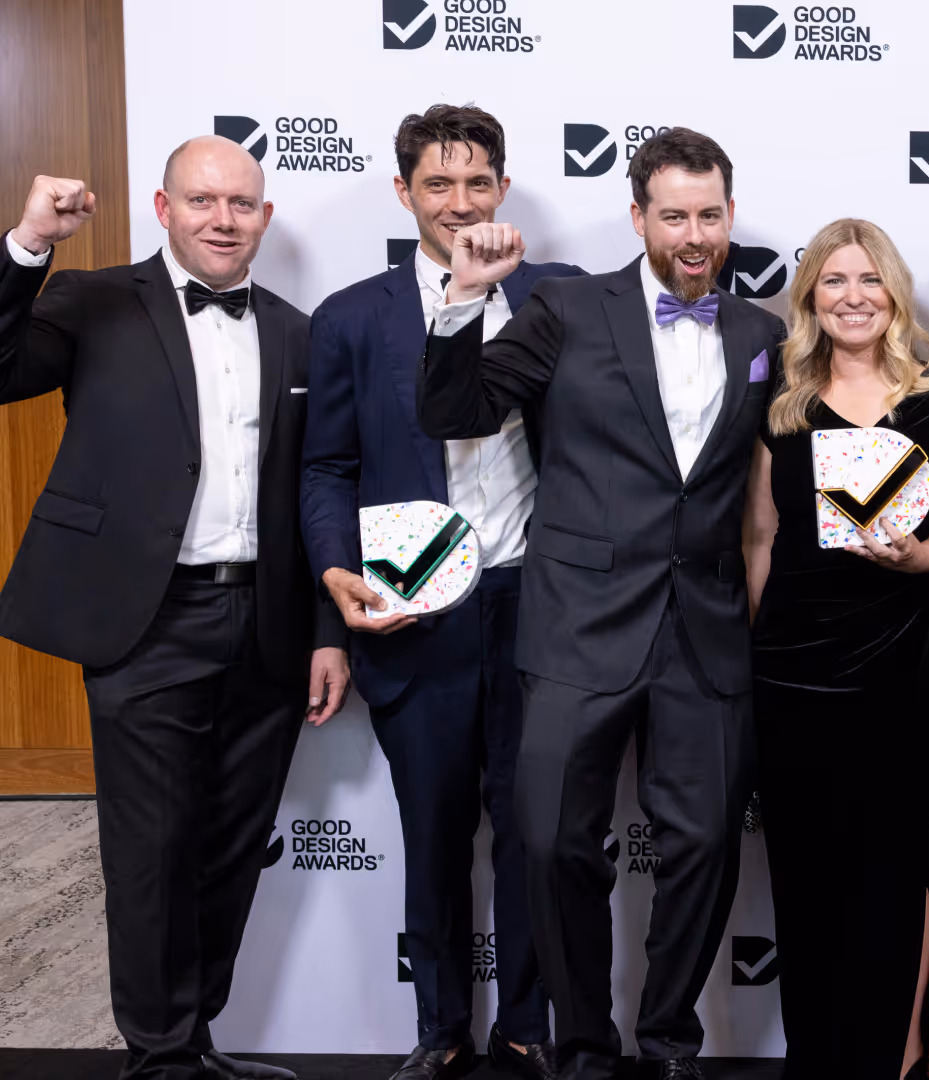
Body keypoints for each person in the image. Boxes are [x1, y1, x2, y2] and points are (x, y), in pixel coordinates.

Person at [415, 128, 785, 1080]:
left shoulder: (761, 334)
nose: (694, 234)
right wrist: (464, 296)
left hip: (703, 632)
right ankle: (582, 1044)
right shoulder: (567, 308)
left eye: (709, 214)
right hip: (576, 622)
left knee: (703, 843)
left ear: (730, 215)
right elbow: (456, 413)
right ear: (638, 218)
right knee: (549, 843)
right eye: (674, 215)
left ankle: (666, 1044)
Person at [0, 141, 348, 1080]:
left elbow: (315, 489)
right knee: (151, 851)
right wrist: (30, 242)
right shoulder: (93, 299)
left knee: (230, 848)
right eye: (202, 200)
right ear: (163, 207)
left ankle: (192, 1042)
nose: (223, 218)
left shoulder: (297, 331)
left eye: (241, 203)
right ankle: (157, 1060)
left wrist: (325, 632)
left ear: (265, 218)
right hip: (144, 621)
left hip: (266, 626)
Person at [301, 104, 581, 1080]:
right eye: (437, 184)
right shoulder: (349, 317)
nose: (459, 203)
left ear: (503, 186)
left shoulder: (565, 300)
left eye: (476, 183)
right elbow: (327, 466)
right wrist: (336, 577)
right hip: (415, 613)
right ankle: (439, 1030)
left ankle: (529, 1028)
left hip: (543, 609)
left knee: (536, 830)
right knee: (433, 828)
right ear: (403, 192)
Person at [742, 218, 929, 1080]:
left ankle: (896, 1053)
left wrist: (922, 557)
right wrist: (765, 649)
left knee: (893, 867)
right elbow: (760, 539)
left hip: (897, 657)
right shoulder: (781, 406)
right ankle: (818, 1056)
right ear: (810, 301)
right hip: (793, 671)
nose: (852, 297)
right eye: (833, 282)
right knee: (805, 876)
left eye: (868, 280)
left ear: (894, 293)